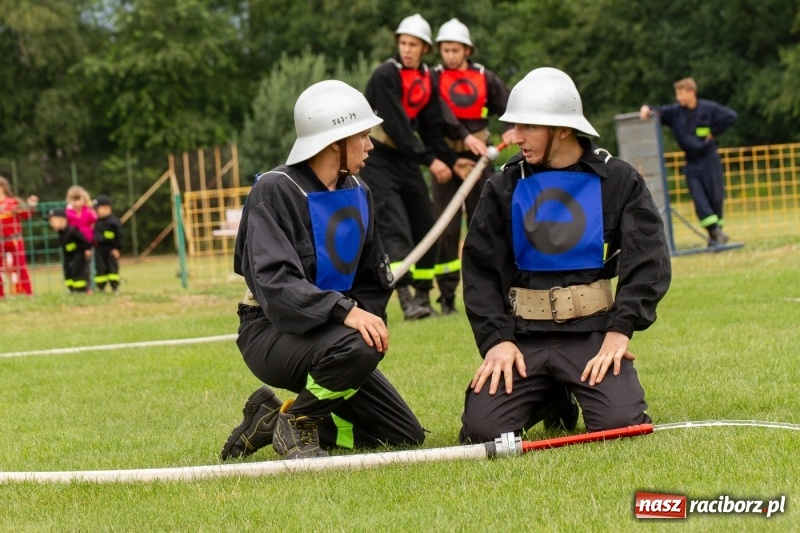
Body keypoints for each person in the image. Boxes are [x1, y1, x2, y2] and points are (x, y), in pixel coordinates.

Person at [458, 67, 672, 444]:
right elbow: (480, 272)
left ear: (561, 129)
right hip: (523, 336)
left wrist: (620, 331)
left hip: (591, 334)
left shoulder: (618, 181)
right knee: (483, 432)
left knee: (621, 426)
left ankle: (572, 386)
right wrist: (497, 341)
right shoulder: (502, 187)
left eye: (527, 127)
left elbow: (648, 259)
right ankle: (549, 396)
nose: (515, 137)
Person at [219, 80, 425, 461]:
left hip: (333, 339)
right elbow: (275, 284)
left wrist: (366, 328)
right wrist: (347, 316)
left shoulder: (359, 192)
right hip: (269, 331)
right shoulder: (274, 190)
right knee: (359, 343)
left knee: (401, 435)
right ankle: (297, 423)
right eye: (362, 135)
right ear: (335, 143)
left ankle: (273, 417)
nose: (370, 145)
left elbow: (372, 281)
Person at [359, 13, 474, 320]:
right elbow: (397, 126)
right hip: (378, 157)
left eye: (414, 44)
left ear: (425, 48)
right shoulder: (386, 74)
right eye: (403, 43)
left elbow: (432, 128)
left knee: (425, 222)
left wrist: (450, 160)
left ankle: (424, 295)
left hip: (407, 159)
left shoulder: (427, 78)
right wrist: (431, 161)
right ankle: (406, 296)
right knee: (395, 225)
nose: (407, 49)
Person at [431, 18, 514, 315]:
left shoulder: (485, 77)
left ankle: (491, 290)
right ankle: (446, 296)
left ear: (467, 50)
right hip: (448, 161)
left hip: (480, 162)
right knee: (446, 230)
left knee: (486, 223)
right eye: (445, 50)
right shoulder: (433, 78)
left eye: (455, 50)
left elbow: (509, 105)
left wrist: (512, 126)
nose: (450, 55)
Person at [640, 77, 737, 245]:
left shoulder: (709, 108)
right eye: (677, 94)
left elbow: (731, 116)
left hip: (709, 159)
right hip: (691, 162)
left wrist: (714, 131)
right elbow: (658, 110)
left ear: (692, 92)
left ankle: (715, 234)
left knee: (715, 197)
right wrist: (646, 108)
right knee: (699, 198)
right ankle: (715, 232)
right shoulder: (675, 112)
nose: (678, 98)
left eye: (681, 94)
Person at [0, 176, 38, 297]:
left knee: (20, 267)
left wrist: (31, 206)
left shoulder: (13, 202)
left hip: (14, 239)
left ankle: (27, 293)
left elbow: (27, 215)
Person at [46, 207, 93, 293]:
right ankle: (72, 290)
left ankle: (82, 291)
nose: (51, 224)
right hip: (68, 257)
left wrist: (87, 250)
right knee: (68, 273)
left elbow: (84, 241)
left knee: (79, 273)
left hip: (78, 257)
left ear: (62, 220)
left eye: (52, 221)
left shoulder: (73, 231)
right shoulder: (61, 233)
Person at [92, 194, 123, 292]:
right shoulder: (96, 222)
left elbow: (120, 237)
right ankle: (101, 287)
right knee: (100, 268)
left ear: (107, 207)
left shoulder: (114, 222)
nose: (96, 211)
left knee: (112, 268)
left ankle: (115, 287)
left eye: (98, 209)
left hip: (111, 249)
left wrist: (118, 249)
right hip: (99, 249)